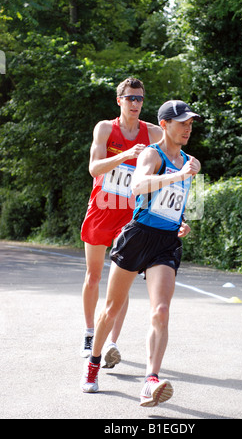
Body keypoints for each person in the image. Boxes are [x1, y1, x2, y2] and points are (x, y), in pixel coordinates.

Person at [80, 100, 201, 407]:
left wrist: (181, 223)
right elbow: (138, 186)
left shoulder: (190, 161)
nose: (188, 127)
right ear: (164, 125)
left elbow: (174, 203)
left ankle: (151, 381)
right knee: (111, 309)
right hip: (137, 237)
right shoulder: (152, 153)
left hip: (165, 242)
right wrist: (178, 175)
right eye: (182, 122)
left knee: (160, 311)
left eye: (190, 123)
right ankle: (93, 362)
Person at [80, 77, 163, 367]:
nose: (136, 103)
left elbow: (169, 169)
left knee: (121, 280)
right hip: (102, 206)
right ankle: (90, 334)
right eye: (130, 98)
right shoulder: (105, 128)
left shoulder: (152, 132)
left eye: (140, 98)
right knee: (93, 276)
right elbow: (94, 168)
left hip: (130, 213)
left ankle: (111, 344)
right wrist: (126, 154)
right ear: (120, 101)